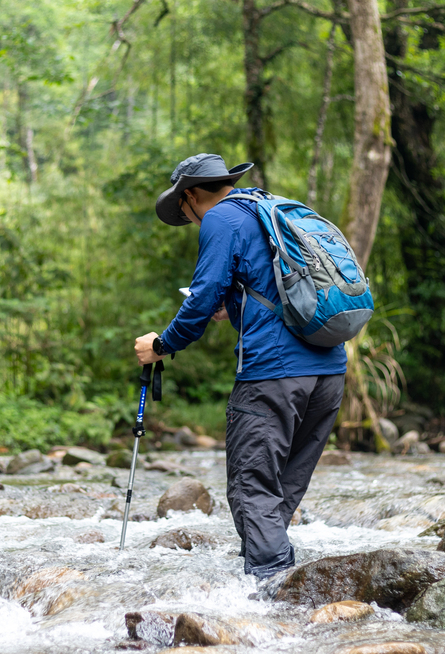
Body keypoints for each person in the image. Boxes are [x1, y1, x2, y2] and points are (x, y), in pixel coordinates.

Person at [134, 153, 346, 580]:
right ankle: (278, 582)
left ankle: (271, 592)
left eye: (185, 211)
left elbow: (203, 292)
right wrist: (232, 308)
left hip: (273, 375)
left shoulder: (221, 218)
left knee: (250, 488)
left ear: (191, 195)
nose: (191, 220)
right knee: (282, 486)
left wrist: (162, 344)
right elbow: (267, 288)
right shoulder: (269, 208)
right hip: (330, 372)